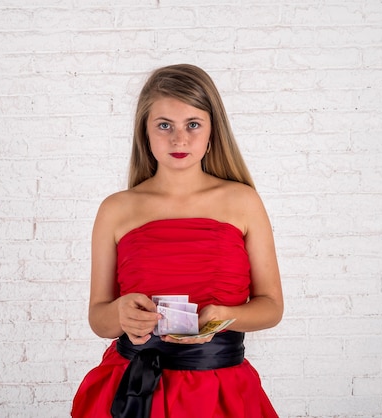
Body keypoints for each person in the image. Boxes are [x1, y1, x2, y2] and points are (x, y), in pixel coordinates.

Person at [71, 64, 283, 418]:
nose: (179, 139)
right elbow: (99, 319)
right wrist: (121, 314)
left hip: (220, 391)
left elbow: (272, 306)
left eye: (193, 125)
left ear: (213, 131)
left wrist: (226, 315)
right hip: (134, 388)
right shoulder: (116, 209)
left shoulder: (242, 201)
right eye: (164, 125)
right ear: (146, 133)